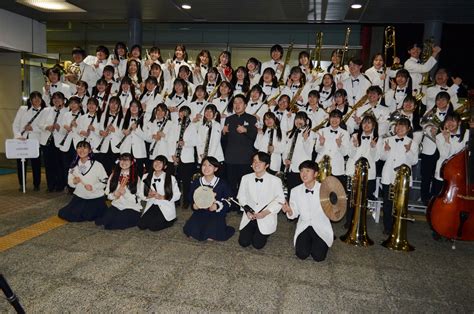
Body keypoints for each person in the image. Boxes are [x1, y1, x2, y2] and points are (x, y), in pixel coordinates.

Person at [282, 160, 333, 261]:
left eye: (308, 171)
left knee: (318, 257)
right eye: (301, 171)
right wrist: (289, 211)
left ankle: (319, 243)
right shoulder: (295, 191)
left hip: (321, 226)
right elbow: (294, 213)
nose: (304, 174)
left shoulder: (325, 189)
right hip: (304, 225)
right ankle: (309, 242)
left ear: (316, 174)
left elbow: (333, 210)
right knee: (301, 254)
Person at [237, 152, 285, 249]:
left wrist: (265, 213)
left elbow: (280, 200)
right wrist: (247, 211)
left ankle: (265, 232)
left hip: (265, 216)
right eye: (254, 161)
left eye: (260, 162)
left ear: (267, 165)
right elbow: (241, 197)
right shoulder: (245, 178)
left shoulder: (275, 180)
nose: (256, 164)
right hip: (250, 216)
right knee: (243, 242)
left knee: (257, 245)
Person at [379, 118, 419, 234]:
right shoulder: (387, 140)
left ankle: (398, 227)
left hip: (403, 179)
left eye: (403, 126)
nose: (399, 128)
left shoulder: (413, 143)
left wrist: (408, 151)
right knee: (387, 203)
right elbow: (382, 157)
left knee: (400, 204)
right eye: (398, 126)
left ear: (408, 129)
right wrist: (386, 151)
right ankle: (387, 227)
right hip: (388, 176)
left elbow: (414, 161)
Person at [183, 156, 234, 241]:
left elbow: (230, 200)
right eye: (204, 165)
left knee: (211, 236)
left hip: (216, 214)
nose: (206, 168)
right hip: (200, 212)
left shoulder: (222, 183)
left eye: (210, 165)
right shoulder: (196, 182)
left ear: (216, 168)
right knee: (192, 234)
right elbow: (191, 196)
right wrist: (194, 205)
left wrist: (217, 206)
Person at [58, 140, 108, 221]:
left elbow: (105, 181)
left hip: (95, 197)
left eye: (85, 148)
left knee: (92, 216)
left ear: (90, 150)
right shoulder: (73, 165)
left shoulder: (97, 165)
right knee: (67, 215)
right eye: (79, 147)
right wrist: (74, 181)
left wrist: (93, 187)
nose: (82, 150)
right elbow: (70, 182)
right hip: (80, 196)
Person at [222, 95, 257, 199]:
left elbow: (256, 138)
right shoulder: (228, 119)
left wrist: (246, 130)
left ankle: (243, 205)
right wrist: (224, 133)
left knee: (245, 184)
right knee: (231, 184)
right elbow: (224, 142)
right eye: (235, 103)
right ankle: (231, 203)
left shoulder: (252, 118)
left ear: (245, 105)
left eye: (240, 102)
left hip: (245, 158)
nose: (237, 105)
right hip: (230, 157)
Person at [96, 153, 142, 229]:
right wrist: (115, 195)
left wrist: (125, 194)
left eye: (127, 160)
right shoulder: (113, 175)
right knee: (104, 222)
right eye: (122, 160)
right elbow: (107, 193)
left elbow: (137, 198)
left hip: (131, 207)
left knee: (115, 224)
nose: (124, 162)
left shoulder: (136, 178)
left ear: (132, 162)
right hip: (117, 205)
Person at [12, 91, 46, 191]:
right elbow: (15, 124)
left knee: (36, 163)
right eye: (34, 98)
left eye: (38, 98)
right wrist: (18, 136)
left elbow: (45, 128)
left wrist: (33, 129)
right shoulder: (23, 109)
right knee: (21, 163)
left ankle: (36, 184)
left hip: (35, 141)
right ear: (30, 100)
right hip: (21, 139)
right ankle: (22, 184)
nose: (36, 100)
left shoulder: (45, 111)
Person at [138, 155, 181, 231]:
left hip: (165, 206)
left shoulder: (170, 178)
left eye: (160, 162)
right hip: (152, 204)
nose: (157, 164)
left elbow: (177, 195)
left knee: (153, 227)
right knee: (141, 225)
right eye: (156, 161)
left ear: (165, 166)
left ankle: (171, 220)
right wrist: (148, 196)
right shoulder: (146, 176)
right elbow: (140, 193)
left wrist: (163, 197)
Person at [432, 112, 468, 196]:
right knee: (438, 197)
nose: (450, 124)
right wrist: (447, 140)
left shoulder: (468, 134)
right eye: (447, 121)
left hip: (460, 172)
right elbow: (444, 155)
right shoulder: (439, 136)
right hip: (443, 171)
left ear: (459, 122)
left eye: (453, 121)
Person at [39, 91, 68, 192]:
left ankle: (60, 185)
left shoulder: (67, 111)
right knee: (48, 164)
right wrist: (47, 127)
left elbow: (68, 129)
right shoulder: (46, 110)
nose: (56, 100)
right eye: (54, 98)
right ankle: (50, 185)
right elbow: (39, 124)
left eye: (59, 98)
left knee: (59, 164)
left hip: (59, 142)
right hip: (47, 141)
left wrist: (60, 128)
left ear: (63, 100)